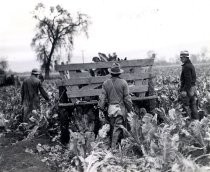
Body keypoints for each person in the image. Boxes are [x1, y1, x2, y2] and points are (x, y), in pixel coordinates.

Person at [98, 62, 134, 149]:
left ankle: (115, 146)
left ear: (111, 73)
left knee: (113, 127)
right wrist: (130, 109)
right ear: (119, 73)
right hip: (119, 109)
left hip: (110, 109)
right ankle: (113, 148)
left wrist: (101, 109)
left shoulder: (106, 83)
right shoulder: (123, 83)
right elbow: (127, 99)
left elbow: (102, 98)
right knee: (117, 128)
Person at [179, 50, 198, 120]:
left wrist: (184, 90)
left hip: (188, 89)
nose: (180, 59)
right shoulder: (191, 65)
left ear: (185, 57)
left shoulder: (186, 67)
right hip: (192, 88)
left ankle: (187, 122)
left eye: (181, 57)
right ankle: (196, 122)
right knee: (193, 106)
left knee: (185, 107)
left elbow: (188, 81)